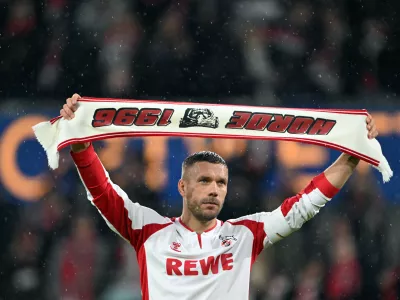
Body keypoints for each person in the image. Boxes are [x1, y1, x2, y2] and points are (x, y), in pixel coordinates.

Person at [60, 93, 378, 300]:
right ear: (182, 187)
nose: (215, 189)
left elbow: (304, 206)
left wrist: (351, 157)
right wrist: (79, 143)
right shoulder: (149, 231)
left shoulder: (242, 236)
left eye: (221, 183)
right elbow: (102, 192)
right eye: (204, 180)